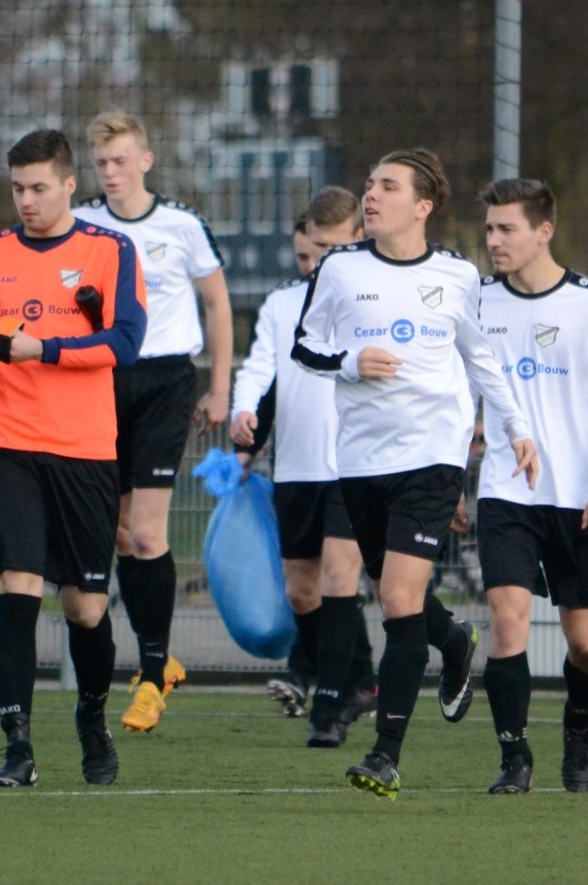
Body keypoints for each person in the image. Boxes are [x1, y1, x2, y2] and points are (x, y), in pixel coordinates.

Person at [292, 148, 539, 799]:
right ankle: (454, 641)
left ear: (422, 205)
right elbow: (305, 346)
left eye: (387, 186)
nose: (371, 195)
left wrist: (516, 430)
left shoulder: (457, 275)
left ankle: (384, 754)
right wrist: (349, 362)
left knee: (398, 599)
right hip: (360, 463)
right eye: (369, 183)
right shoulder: (340, 270)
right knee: (399, 600)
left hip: (431, 461)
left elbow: (482, 359)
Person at [0, 129, 147, 786]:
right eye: (17, 188)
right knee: (17, 591)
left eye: (39, 187)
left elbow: (124, 341)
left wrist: (38, 348)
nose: (26, 200)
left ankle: (92, 719)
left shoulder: (110, 250)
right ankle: (17, 746)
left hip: (86, 452)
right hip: (8, 444)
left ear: (69, 184)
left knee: (85, 608)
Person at [72, 111, 232, 733]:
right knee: (115, 530)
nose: (110, 173)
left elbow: (216, 302)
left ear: (146, 160)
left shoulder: (181, 225)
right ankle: (159, 659)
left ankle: (152, 670)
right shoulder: (82, 224)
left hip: (167, 381)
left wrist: (219, 387)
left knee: (145, 533)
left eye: (120, 161)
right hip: (102, 379)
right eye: (101, 163)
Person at [474, 178, 588, 793]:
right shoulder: (479, 301)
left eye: (506, 228)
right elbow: (463, 393)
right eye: (489, 229)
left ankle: (578, 725)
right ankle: (514, 759)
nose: (494, 241)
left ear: (544, 231)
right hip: (506, 492)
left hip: (580, 500)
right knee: (506, 621)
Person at [230, 188, 377, 743]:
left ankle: (328, 706)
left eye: (328, 251)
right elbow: (260, 366)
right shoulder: (281, 305)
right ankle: (363, 679)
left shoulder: (374, 298)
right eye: (307, 254)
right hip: (296, 469)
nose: (316, 264)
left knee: (342, 579)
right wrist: (244, 411)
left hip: (354, 465)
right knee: (304, 592)